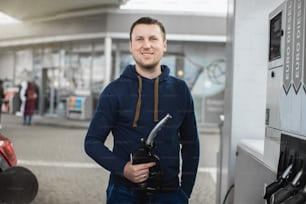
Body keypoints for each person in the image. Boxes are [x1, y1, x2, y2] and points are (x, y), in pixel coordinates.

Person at [84, 17, 200, 204]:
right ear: (131, 46)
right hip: (123, 193)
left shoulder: (180, 90)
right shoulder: (114, 91)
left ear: (164, 45)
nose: (146, 45)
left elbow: (191, 145)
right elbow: (92, 142)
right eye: (139, 39)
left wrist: (184, 192)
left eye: (153, 39)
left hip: (170, 194)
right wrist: (123, 169)